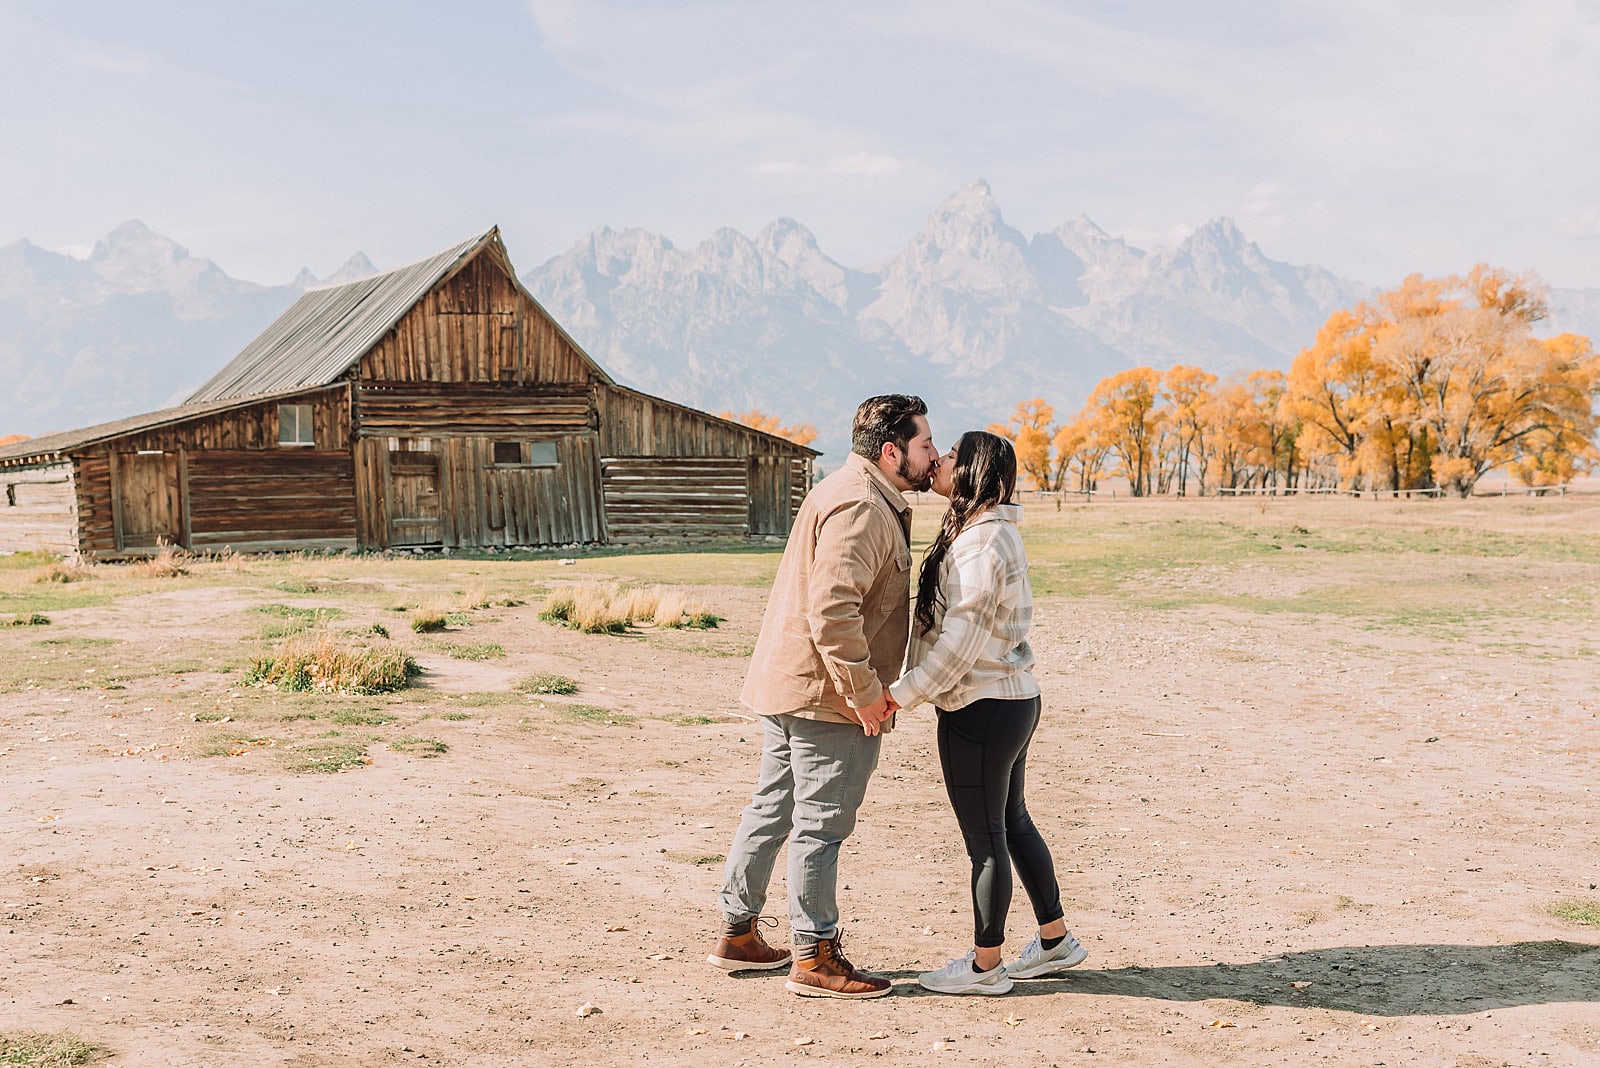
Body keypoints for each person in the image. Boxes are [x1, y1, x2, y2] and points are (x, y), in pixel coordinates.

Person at [707, 395, 939, 1000]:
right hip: (827, 696)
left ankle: (737, 931)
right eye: (924, 445)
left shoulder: (847, 488)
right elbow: (834, 610)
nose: (933, 456)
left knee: (774, 806)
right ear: (892, 453)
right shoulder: (863, 506)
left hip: (792, 683)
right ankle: (815, 956)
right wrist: (864, 694)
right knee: (822, 823)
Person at [887, 430, 1088, 996]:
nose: (940, 461)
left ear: (974, 474)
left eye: (950, 455)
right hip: (1013, 700)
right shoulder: (993, 532)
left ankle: (986, 967)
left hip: (981, 706)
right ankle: (1055, 941)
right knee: (1012, 823)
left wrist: (898, 695)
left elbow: (958, 644)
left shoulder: (980, 545)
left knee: (987, 839)